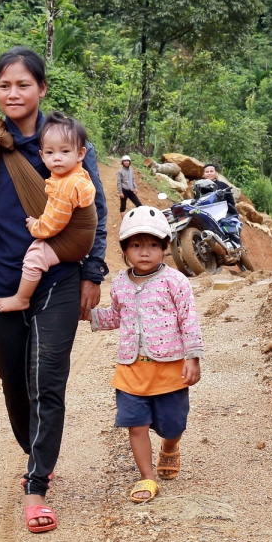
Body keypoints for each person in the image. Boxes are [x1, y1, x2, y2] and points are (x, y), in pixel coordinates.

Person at [0, 46, 108, 534]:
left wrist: (93, 272)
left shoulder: (70, 143)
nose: (14, 93)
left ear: (42, 89)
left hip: (58, 277)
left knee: (47, 380)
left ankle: (36, 487)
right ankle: (38, 452)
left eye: (23, 84)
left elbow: (94, 214)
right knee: (14, 382)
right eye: (4, 85)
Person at [87, 206, 203, 504]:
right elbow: (117, 316)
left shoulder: (176, 282)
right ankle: (147, 477)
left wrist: (192, 357)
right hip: (131, 369)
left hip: (169, 370)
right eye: (136, 245)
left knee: (173, 424)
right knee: (135, 424)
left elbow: (188, 319)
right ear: (125, 250)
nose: (144, 252)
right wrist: (88, 315)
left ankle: (170, 447)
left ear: (165, 247)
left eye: (153, 245)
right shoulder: (121, 283)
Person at [0, 114, 97, 313]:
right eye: (50, 152)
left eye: (65, 151)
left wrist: (36, 227)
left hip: (74, 243)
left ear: (81, 154)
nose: (57, 157)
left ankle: (21, 298)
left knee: (35, 255)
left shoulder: (66, 185)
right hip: (81, 240)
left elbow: (53, 223)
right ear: (42, 156)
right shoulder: (77, 175)